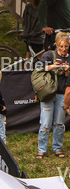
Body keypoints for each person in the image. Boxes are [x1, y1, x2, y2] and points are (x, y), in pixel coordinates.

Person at [38, 30, 70, 158]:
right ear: (57, 45)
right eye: (61, 46)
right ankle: (42, 149)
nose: (64, 49)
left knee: (59, 123)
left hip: (62, 93)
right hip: (48, 93)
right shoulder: (49, 55)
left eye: (66, 46)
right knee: (45, 123)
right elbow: (39, 68)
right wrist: (53, 66)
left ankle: (57, 148)